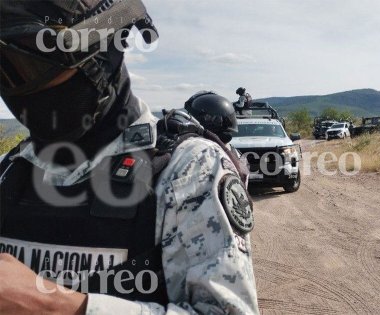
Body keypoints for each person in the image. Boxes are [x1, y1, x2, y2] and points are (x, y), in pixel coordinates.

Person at [0, 1, 259, 314]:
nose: (17, 89)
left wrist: (56, 305)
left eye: (32, 64)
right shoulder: (10, 171)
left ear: (101, 51)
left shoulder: (186, 170)